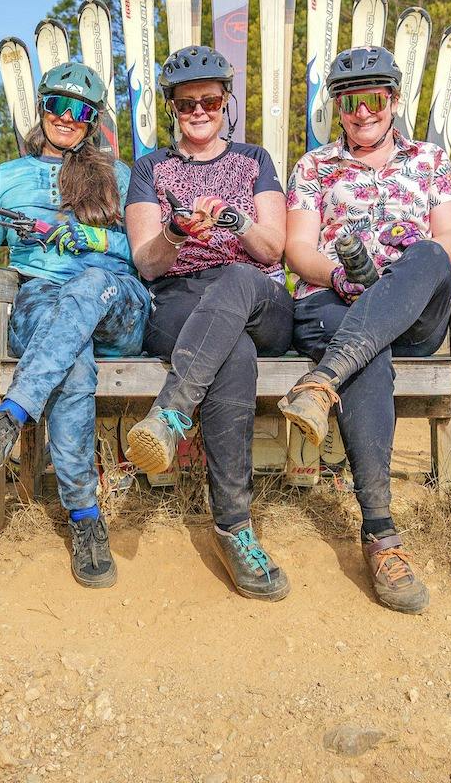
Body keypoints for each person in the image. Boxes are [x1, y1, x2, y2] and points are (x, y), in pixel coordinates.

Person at [280, 47, 451, 614]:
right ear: (338, 108)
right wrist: (341, 274)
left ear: (393, 100)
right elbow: (297, 251)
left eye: (373, 99)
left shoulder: (430, 160)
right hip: (333, 301)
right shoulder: (314, 168)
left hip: (413, 307)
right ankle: (383, 539)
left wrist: (388, 285)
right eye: (349, 102)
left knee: (431, 252)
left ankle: (323, 379)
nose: (362, 113)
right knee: (369, 355)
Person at [0, 62, 148, 589]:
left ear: (93, 120)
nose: (67, 117)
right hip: (41, 302)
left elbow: (148, 252)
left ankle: (10, 415)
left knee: (85, 287)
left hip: (116, 300)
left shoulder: (119, 176)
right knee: (73, 365)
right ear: (41, 110)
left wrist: (94, 241)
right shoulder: (6, 177)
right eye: (57, 106)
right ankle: (86, 520)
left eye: (79, 110)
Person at [123, 46, 293, 601]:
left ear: (227, 104)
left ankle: (171, 414)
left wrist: (234, 219)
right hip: (181, 299)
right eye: (187, 102)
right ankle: (234, 528)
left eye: (211, 101)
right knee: (233, 356)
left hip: (257, 295)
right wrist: (175, 232)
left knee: (239, 282)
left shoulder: (254, 160)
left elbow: (273, 248)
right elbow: (146, 263)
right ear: (172, 107)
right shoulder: (150, 169)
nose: (199, 110)